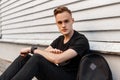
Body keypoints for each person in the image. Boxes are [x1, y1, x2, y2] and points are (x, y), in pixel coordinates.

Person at [0, 6, 90, 80]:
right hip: (58, 73)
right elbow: (45, 53)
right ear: (56, 24)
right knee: (25, 57)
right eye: (60, 22)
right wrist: (51, 53)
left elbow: (57, 59)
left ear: (72, 21)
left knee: (37, 58)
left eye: (66, 21)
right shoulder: (60, 39)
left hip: (71, 77)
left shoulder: (80, 40)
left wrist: (32, 49)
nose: (63, 25)